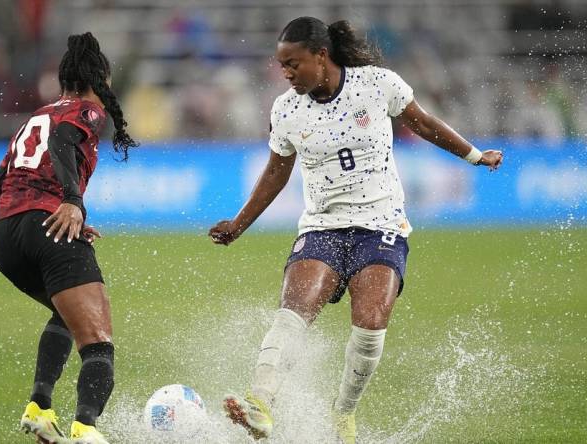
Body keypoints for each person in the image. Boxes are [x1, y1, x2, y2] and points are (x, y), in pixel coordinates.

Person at [209, 17, 502, 444]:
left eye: (293, 64)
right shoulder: (286, 110)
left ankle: (342, 413)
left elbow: (423, 123)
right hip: (322, 225)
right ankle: (260, 405)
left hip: (381, 222)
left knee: (369, 323)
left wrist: (475, 155)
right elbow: (276, 172)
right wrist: (239, 224)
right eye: (281, 65)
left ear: (321, 56)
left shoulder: (377, 84)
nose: (285, 73)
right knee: (295, 310)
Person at [0, 32, 137, 444]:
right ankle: (86, 430)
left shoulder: (37, 115)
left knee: (66, 315)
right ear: (99, 78)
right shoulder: (87, 112)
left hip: (0, 233)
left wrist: (43, 211)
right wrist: (71, 202)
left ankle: (40, 407)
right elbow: (63, 141)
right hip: (43, 223)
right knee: (98, 342)